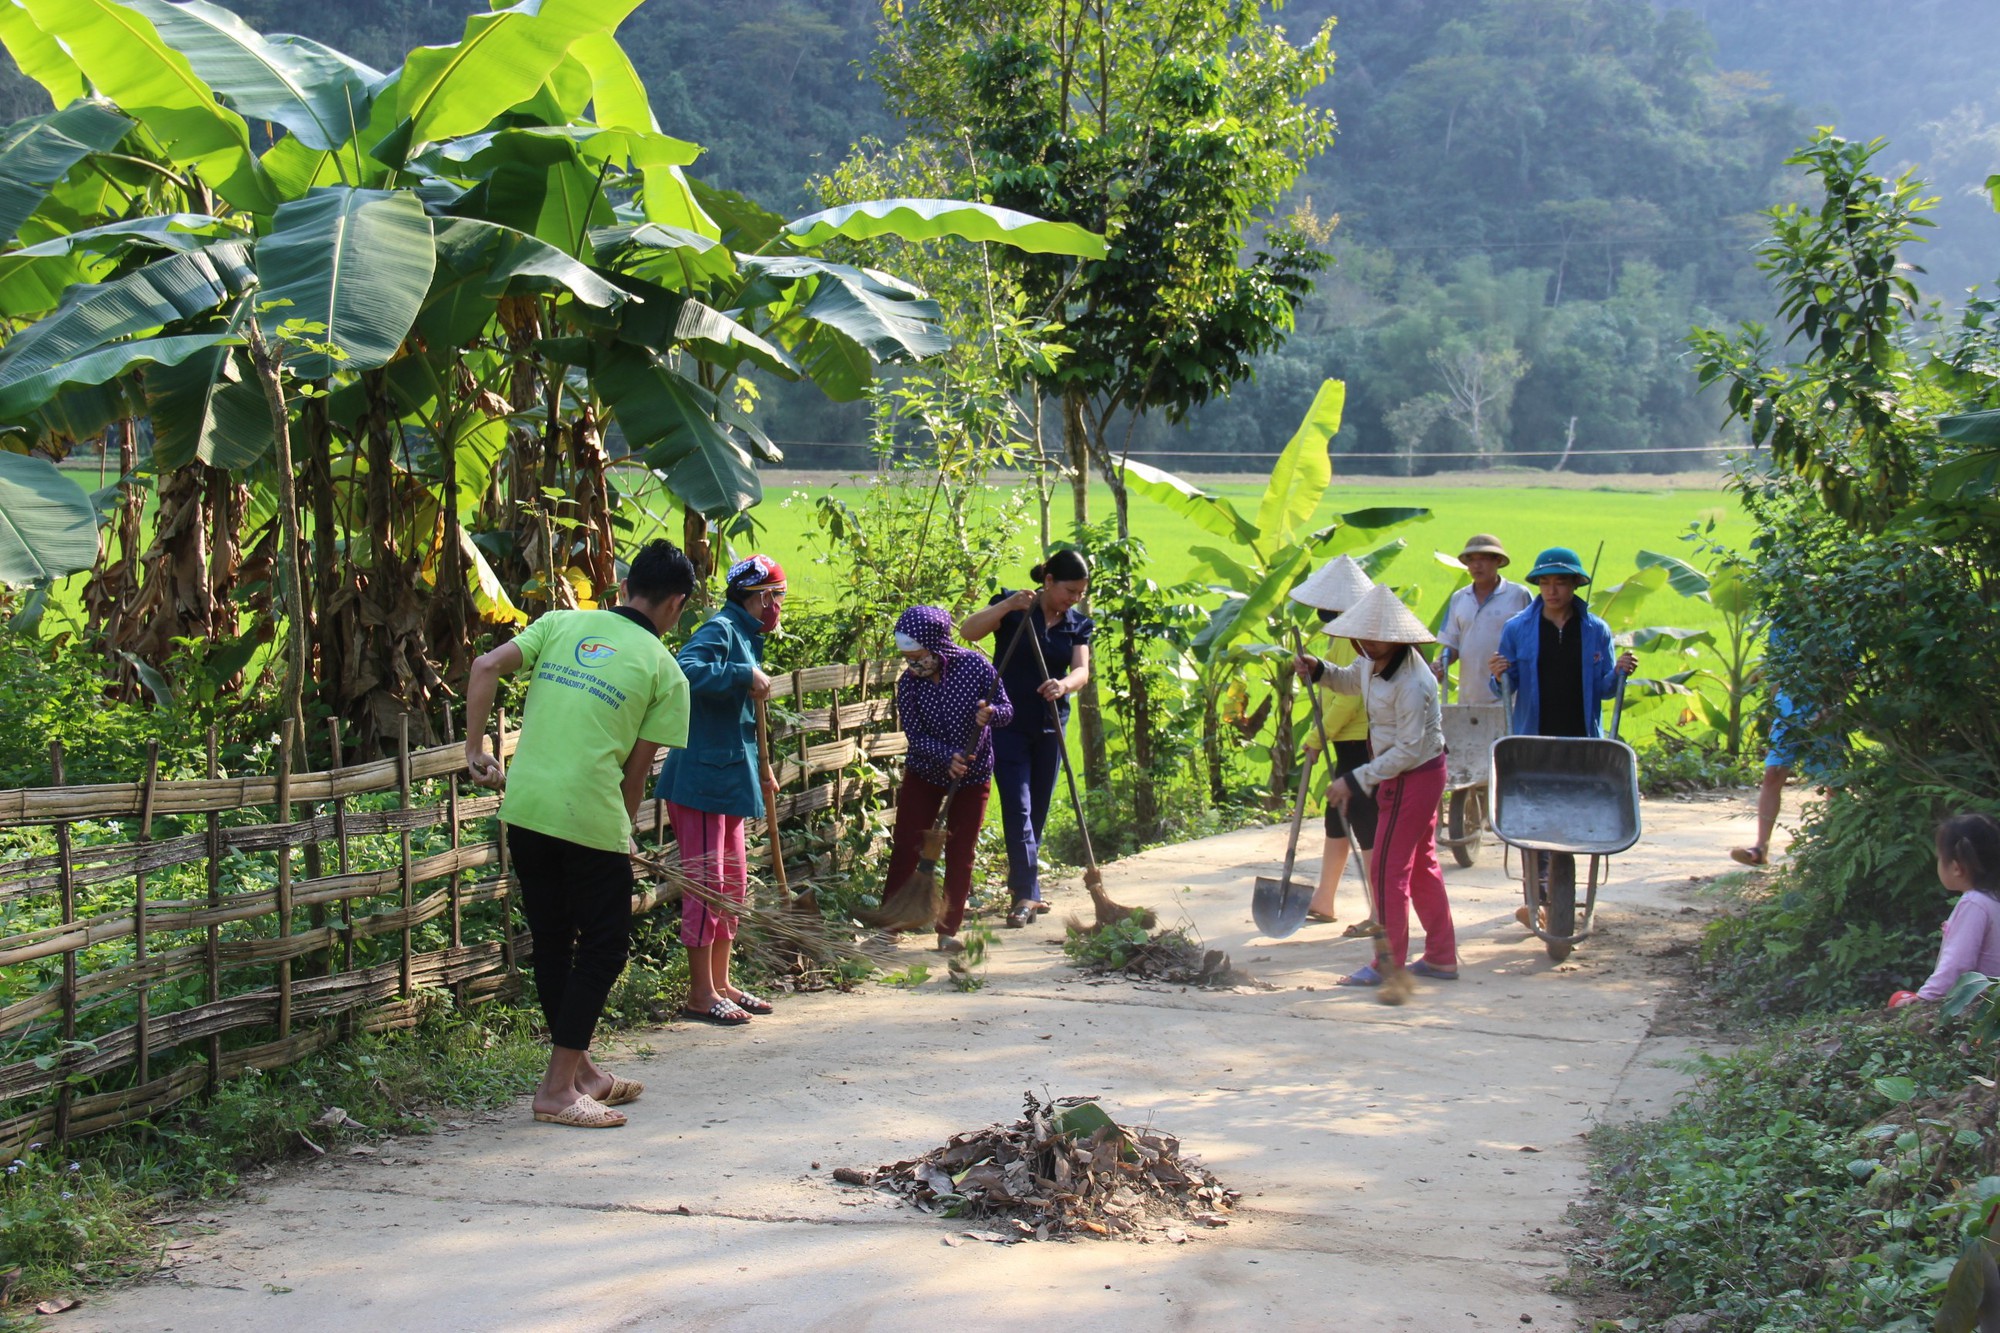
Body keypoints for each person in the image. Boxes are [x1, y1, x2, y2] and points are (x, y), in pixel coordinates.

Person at [464, 538, 695, 1129]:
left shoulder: (561, 623)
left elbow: (484, 665)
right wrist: (625, 836)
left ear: (623, 589)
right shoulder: (666, 672)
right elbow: (634, 777)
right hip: (589, 814)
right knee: (605, 944)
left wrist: (475, 751)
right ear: (676, 606)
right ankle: (558, 1090)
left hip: (526, 807)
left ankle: (584, 1072)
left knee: (552, 937)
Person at [1294, 584, 1458, 985]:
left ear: (1396, 637)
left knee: (1387, 870)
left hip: (1412, 776)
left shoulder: (1414, 683)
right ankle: (1440, 956)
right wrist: (1319, 671)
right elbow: (1351, 681)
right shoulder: (1371, 660)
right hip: (1411, 772)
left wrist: (1355, 778)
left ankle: (1388, 963)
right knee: (1421, 865)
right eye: (1363, 634)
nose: (1367, 642)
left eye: (1376, 635)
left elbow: (1406, 750)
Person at [652, 554, 787, 1027]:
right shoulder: (721, 630)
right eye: (775, 598)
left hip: (730, 776)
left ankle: (722, 983)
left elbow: (739, 722)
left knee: (731, 886)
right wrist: (741, 675)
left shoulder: (746, 634)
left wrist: (759, 772)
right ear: (760, 597)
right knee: (706, 887)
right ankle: (699, 993)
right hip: (702, 781)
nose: (777, 607)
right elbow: (685, 669)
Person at [1488, 546, 1638, 931]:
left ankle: (1560, 895)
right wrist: (1499, 672)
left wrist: (1619, 671)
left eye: (1560, 583)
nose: (1551, 590)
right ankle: (1535, 897)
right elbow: (1502, 687)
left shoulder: (1595, 630)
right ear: (1538, 585)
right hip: (1534, 739)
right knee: (1532, 817)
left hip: (1582, 740)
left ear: (1575, 585)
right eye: (1545, 583)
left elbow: (1604, 689)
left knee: (1576, 815)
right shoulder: (1518, 628)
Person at [956, 550, 1093, 929]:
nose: (1074, 599)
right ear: (1048, 581)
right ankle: (1026, 894)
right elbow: (968, 631)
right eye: (1069, 590)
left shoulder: (1076, 624)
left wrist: (1062, 684)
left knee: (1037, 811)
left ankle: (1024, 887)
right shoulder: (1015, 607)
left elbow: (1081, 672)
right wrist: (1007, 606)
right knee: (1017, 806)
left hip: (1051, 724)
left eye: (1080, 593)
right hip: (1007, 723)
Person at [885, 605, 1013, 952]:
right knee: (907, 845)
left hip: (973, 776)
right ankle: (891, 927)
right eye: (907, 658)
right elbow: (915, 734)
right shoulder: (909, 684)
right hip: (926, 770)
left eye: (919, 655)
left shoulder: (974, 668)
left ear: (937, 644)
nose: (914, 664)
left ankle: (947, 930)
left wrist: (991, 714)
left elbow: (1007, 709)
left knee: (961, 851)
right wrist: (947, 757)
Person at [1286, 553, 1377, 929]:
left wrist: (1315, 738)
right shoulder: (1339, 634)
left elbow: (1349, 698)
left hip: (1358, 742)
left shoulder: (1352, 638)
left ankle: (1381, 909)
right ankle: (1324, 898)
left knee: (1364, 822)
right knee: (1335, 818)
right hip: (1344, 741)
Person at [1890, 814, 2000, 1007]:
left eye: (1940, 858)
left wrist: (1926, 998)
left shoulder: (1973, 903)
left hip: (1981, 1004)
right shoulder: (1993, 898)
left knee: (1898, 1000)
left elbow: (1958, 964)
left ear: (1956, 868)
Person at [1434, 534, 1533, 702]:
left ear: (1498, 561)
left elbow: (1534, 641)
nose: (1476, 565)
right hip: (1469, 696)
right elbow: (1451, 643)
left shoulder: (1518, 595)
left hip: (1510, 696)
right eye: (1471, 560)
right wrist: (1440, 663)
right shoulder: (1459, 598)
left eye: (1484, 559)